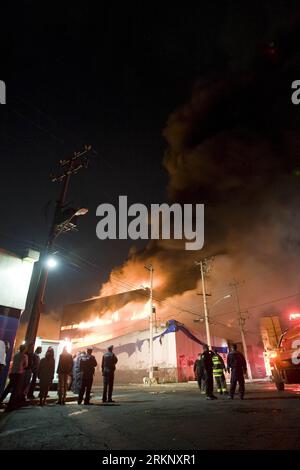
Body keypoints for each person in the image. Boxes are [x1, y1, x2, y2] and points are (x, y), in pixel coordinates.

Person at [1, 344, 28, 411]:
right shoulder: (24, 356)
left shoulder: (16, 355)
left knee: (8, 388)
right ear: (24, 349)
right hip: (19, 374)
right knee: (15, 390)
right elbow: (26, 365)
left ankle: (1, 400)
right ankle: (10, 405)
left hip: (12, 373)